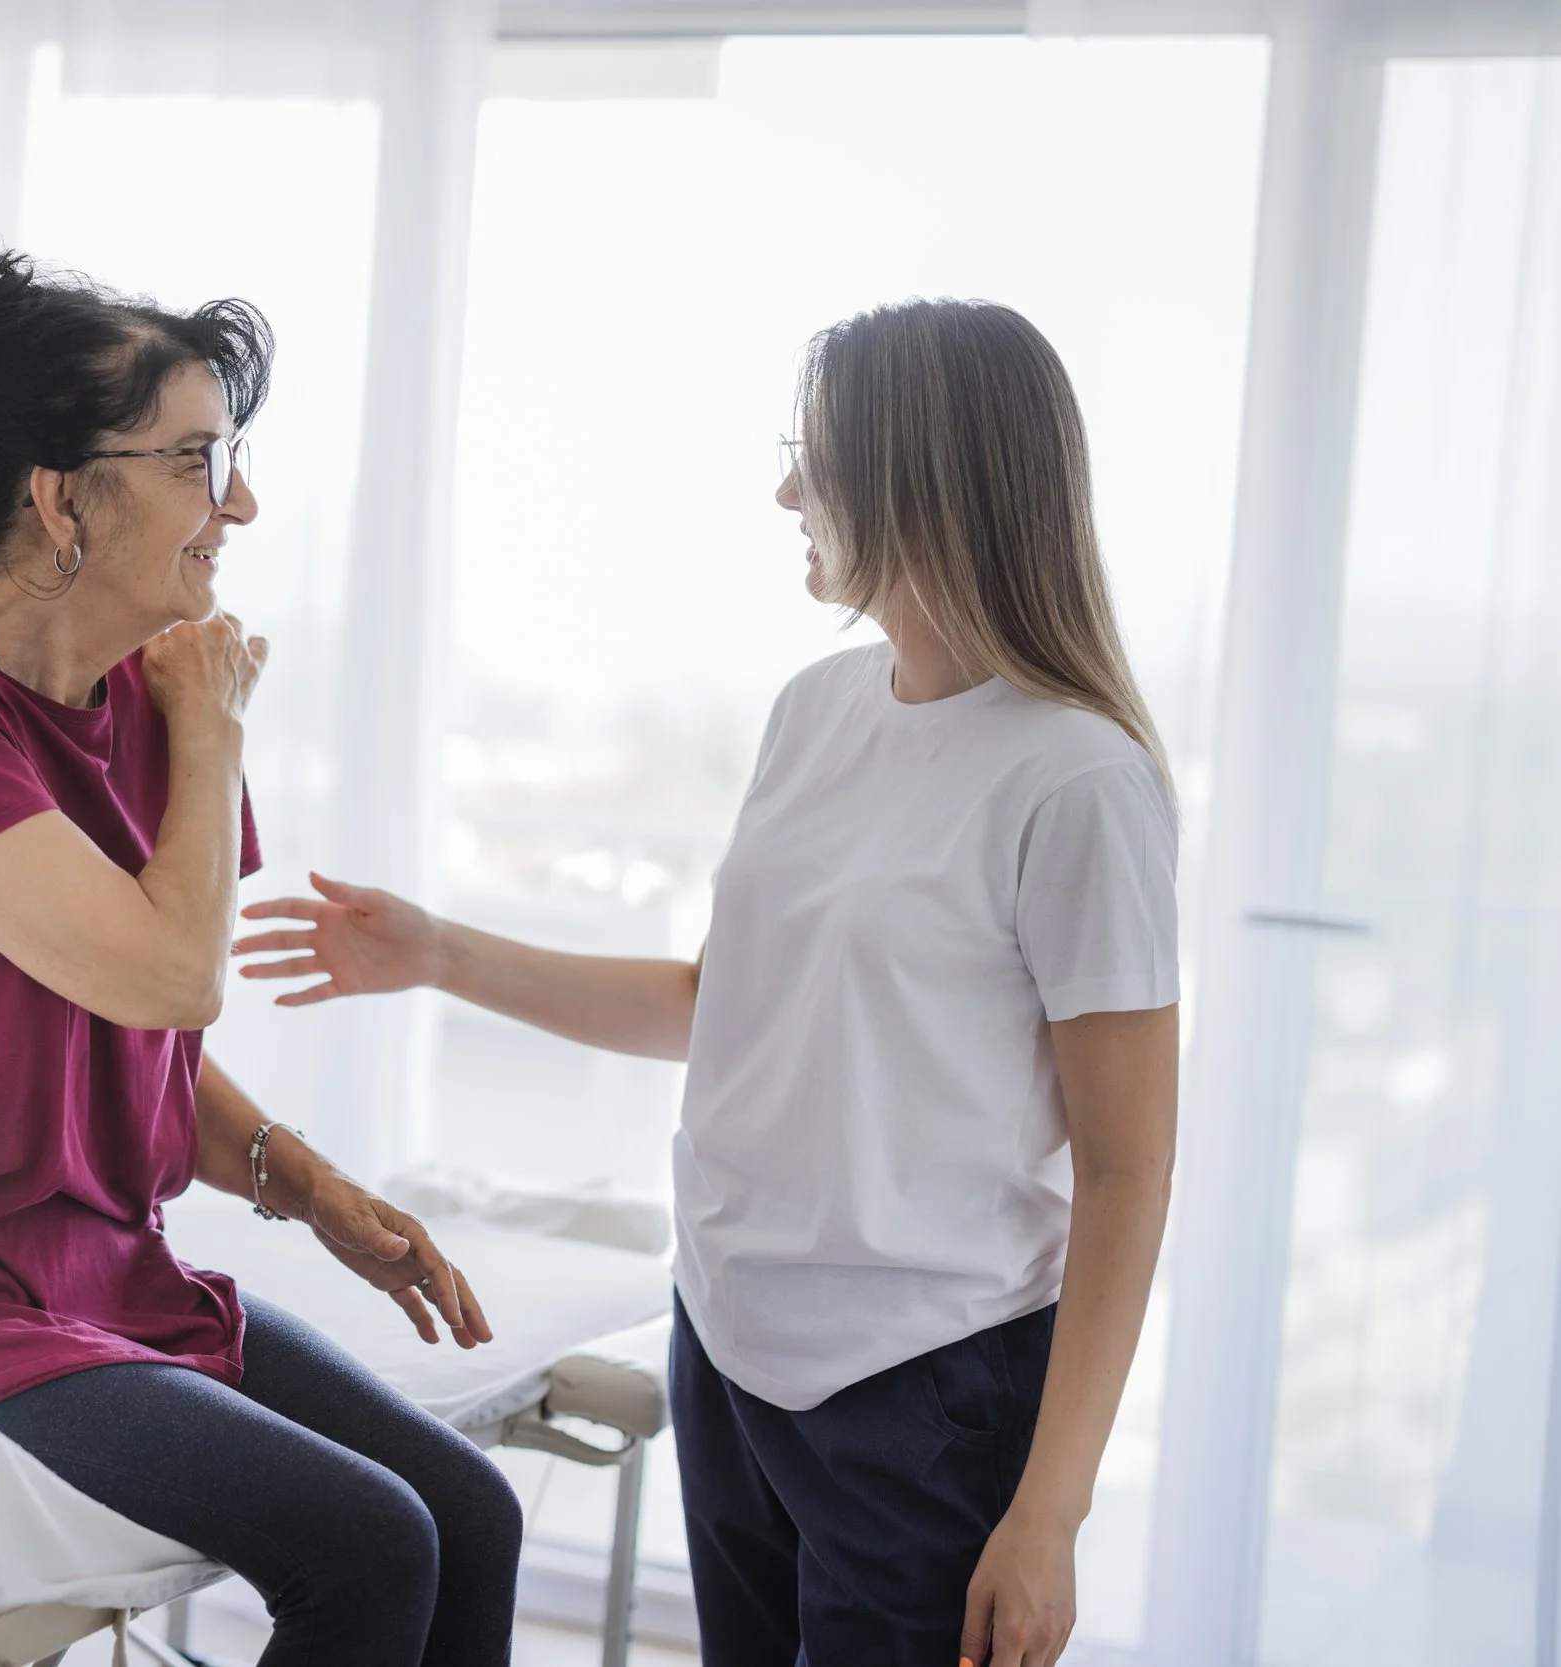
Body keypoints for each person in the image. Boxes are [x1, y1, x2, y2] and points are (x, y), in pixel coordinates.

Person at [235, 298, 1180, 1667]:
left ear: (922, 476)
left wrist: (1051, 1508)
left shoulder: (1077, 780)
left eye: (818, 454)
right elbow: (716, 1001)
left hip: (923, 1390)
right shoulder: (820, 709)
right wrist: (437, 953)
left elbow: (1129, 1169)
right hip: (732, 1345)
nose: (787, 489)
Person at [0, 248, 520, 1667]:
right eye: (200, 459)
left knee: (471, 1505)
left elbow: (139, 1043)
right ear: (57, 495)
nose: (243, 504)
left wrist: (315, 1188)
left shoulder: (147, 703)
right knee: (371, 1541)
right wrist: (214, 736)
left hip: (93, 1264)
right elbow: (170, 976)